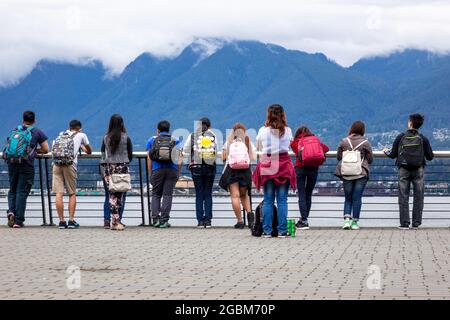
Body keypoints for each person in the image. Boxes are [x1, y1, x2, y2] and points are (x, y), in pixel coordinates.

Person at [383, 113, 434, 230]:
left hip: (403, 169)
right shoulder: (423, 138)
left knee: (403, 196)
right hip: (418, 169)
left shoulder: (400, 137)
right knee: (418, 196)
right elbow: (430, 156)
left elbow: (393, 155)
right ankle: (416, 223)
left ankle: (404, 223)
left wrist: (385, 151)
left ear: (410, 123)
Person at [252, 104, 296, 238]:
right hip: (283, 164)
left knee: (268, 200)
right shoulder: (288, 130)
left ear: (269, 115)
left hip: (267, 163)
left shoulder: (262, 130)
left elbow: (259, 142)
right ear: (283, 115)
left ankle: (267, 231)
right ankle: (282, 231)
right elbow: (290, 145)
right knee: (282, 200)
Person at [4, 110, 49, 228]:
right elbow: (46, 149)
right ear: (34, 120)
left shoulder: (15, 130)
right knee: (22, 191)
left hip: (11, 162)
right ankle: (18, 221)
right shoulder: (37, 131)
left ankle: (11, 212)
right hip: (26, 164)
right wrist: (34, 151)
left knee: (12, 190)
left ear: (22, 120)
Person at [52, 120, 92, 229]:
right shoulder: (81, 135)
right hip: (70, 164)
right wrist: (81, 147)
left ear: (69, 127)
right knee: (72, 193)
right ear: (80, 128)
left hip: (56, 164)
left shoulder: (61, 134)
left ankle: (61, 221)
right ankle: (71, 220)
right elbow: (89, 151)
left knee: (58, 193)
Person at [335, 121, 373, 230]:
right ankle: (355, 222)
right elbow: (370, 160)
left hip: (347, 173)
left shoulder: (344, 141)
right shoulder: (365, 143)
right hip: (360, 173)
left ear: (351, 129)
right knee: (357, 198)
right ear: (362, 130)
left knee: (348, 198)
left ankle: (346, 221)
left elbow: (338, 157)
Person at [290, 126, 329, 230]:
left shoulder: (297, 141)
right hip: (313, 169)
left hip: (300, 168)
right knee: (308, 194)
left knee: (301, 195)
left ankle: (304, 220)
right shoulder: (315, 140)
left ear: (298, 133)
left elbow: (293, 148)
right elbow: (326, 149)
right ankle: (304, 219)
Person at [146, 120, 182, 228]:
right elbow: (180, 158)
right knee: (167, 195)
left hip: (157, 170)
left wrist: (150, 172)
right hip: (172, 170)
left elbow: (149, 158)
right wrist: (178, 173)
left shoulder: (152, 140)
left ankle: (155, 219)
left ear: (158, 130)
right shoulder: (175, 141)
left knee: (156, 194)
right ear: (169, 129)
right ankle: (164, 221)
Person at [220, 123, 257, 229]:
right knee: (244, 195)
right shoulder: (247, 140)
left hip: (232, 170)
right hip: (245, 171)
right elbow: (253, 157)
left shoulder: (230, 141)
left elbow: (223, 156)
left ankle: (240, 221)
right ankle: (250, 218)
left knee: (235, 196)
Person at [101, 114, 133, 231]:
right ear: (121, 124)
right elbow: (130, 155)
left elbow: (103, 153)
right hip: (123, 168)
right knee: (121, 196)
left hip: (109, 169)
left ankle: (109, 220)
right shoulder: (126, 138)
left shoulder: (105, 138)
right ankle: (116, 221)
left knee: (110, 196)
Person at [183, 117, 217, 228]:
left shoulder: (192, 135)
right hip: (209, 167)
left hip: (196, 167)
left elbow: (186, 150)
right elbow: (215, 151)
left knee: (199, 194)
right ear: (209, 125)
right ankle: (208, 221)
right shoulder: (212, 135)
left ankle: (200, 221)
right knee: (208, 194)